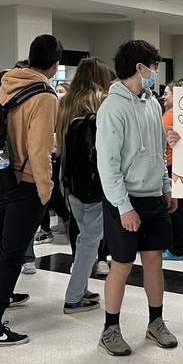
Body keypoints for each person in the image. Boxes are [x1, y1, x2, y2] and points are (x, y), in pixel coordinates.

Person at [0, 35, 62, 347]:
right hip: (26, 183)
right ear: (55, 64)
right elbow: (40, 149)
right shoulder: (46, 96)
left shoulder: (5, 84)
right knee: (11, 254)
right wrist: (46, 190)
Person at [95, 40, 178, 356]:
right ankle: (110, 329)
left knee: (154, 262)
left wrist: (166, 186)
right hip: (123, 199)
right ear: (139, 68)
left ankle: (155, 322)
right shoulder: (112, 107)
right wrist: (124, 206)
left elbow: (159, 150)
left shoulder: (152, 103)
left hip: (153, 195)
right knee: (122, 264)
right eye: (153, 67)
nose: (155, 72)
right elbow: (108, 164)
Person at [55, 56, 111, 314]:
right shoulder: (102, 100)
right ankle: (74, 295)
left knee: (82, 234)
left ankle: (81, 286)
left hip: (69, 178)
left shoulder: (65, 102)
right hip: (95, 178)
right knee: (91, 238)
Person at [161, 78, 183, 261]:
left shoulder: (168, 117)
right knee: (177, 208)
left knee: (173, 208)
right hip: (180, 165)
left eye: (167, 93)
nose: (163, 97)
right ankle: (176, 247)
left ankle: (175, 249)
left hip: (170, 165)